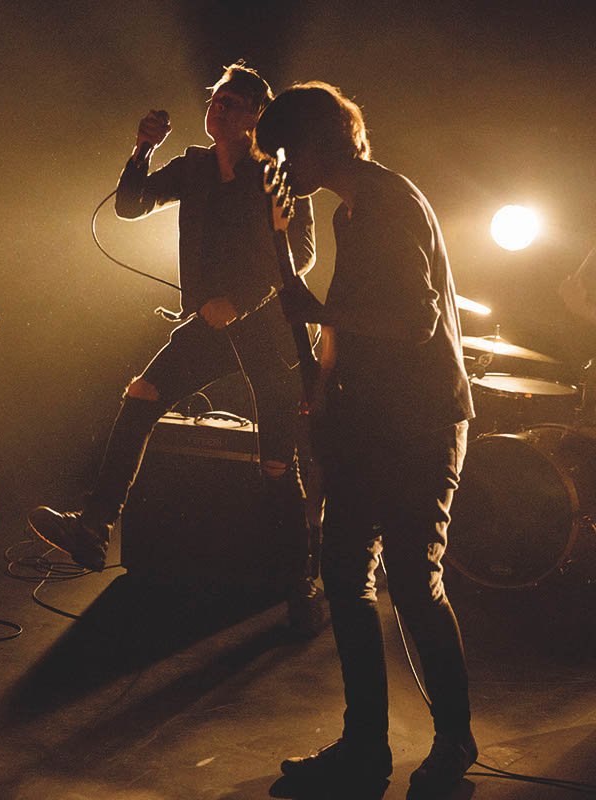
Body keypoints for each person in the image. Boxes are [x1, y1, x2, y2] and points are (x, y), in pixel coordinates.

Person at [28, 63, 322, 626]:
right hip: (211, 327)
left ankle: (300, 581)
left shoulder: (275, 174)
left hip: (266, 329)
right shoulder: (193, 166)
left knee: (277, 464)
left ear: (257, 116)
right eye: (216, 101)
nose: (219, 111)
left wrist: (240, 300)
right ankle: (94, 528)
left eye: (233, 105)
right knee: (142, 393)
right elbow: (130, 205)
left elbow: (301, 253)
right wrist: (141, 150)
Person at [253, 82, 477, 796]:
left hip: (419, 421)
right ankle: (364, 746)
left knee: (413, 582)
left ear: (319, 143)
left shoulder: (388, 202)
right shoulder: (355, 210)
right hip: (368, 419)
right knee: (347, 579)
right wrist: (321, 388)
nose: (284, 171)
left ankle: (454, 740)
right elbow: (350, 323)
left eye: (286, 154)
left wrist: (320, 309)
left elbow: (413, 321)